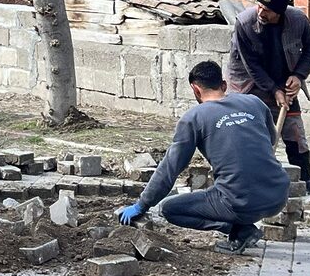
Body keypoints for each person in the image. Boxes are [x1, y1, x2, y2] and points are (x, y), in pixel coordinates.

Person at [118, 60, 289, 255]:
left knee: (170, 209)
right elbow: (271, 139)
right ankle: (243, 226)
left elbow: (170, 169)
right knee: (219, 187)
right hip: (278, 195)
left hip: (240, 202)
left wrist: (142, 205)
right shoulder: (254, 102)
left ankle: (240, 230)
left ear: (195, 90)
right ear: (223, 85)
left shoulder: (194, 118)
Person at [227, 0, 310, 196]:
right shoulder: (244, 22)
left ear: (280, 11)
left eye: (267, 10)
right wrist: (273, 90)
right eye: (259, 5)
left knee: (295, 135)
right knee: (251, 134)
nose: (261, 11)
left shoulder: (297, 20)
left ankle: (305, 184)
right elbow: (251, 65)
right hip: (249, 85)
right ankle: (247, 184)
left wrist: (298, 76)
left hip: (285, 82)